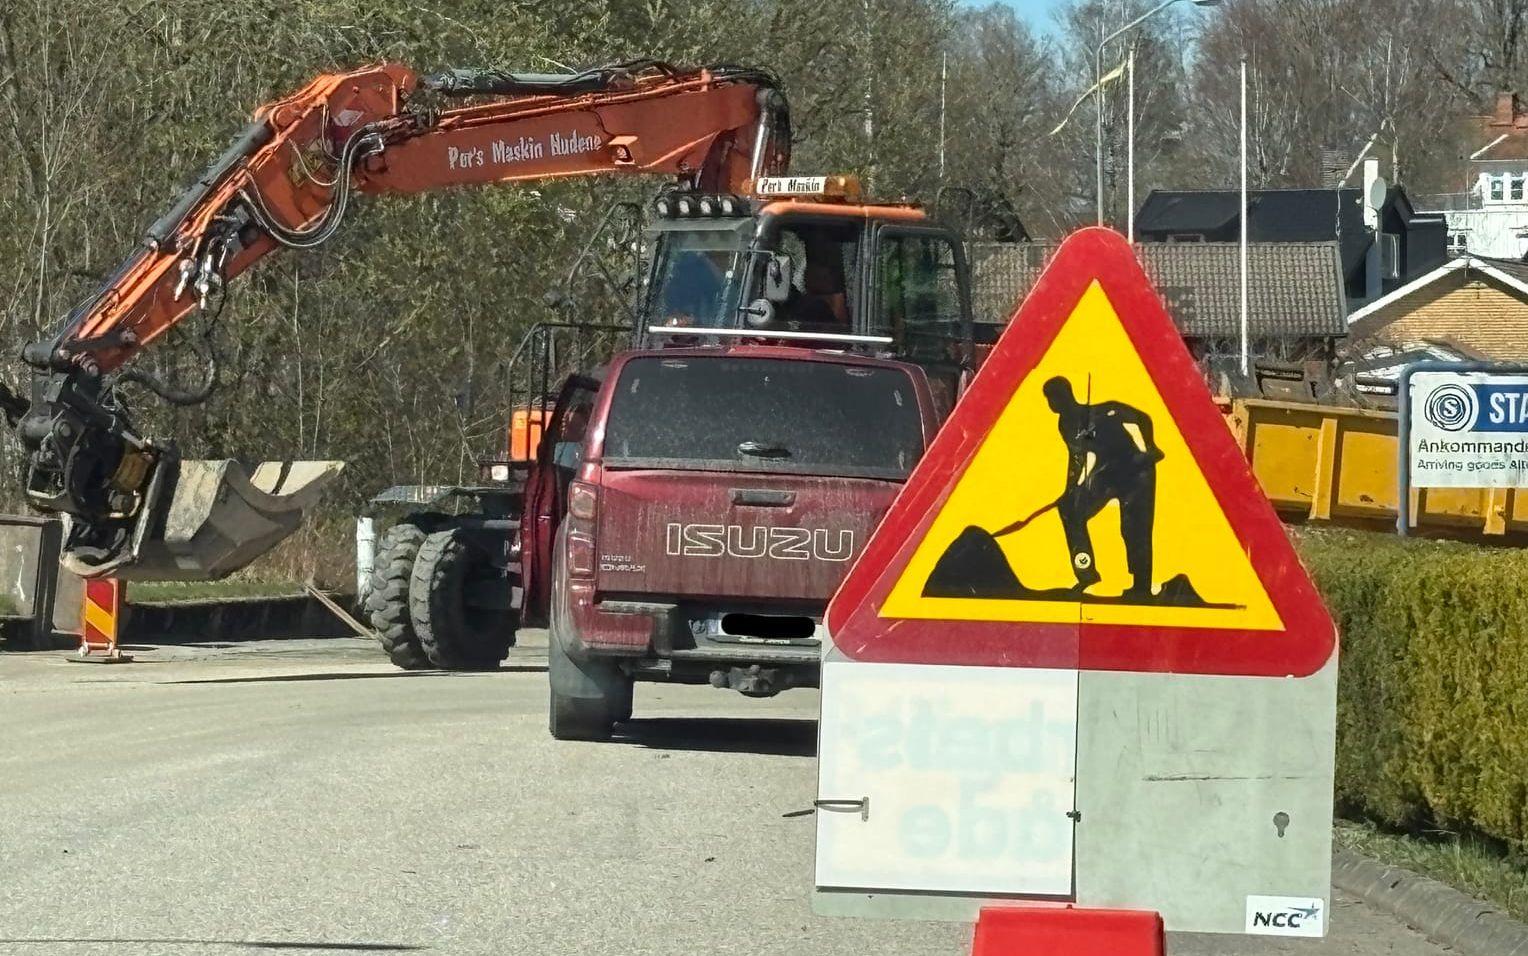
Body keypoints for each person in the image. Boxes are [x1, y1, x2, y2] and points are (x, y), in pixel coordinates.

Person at [1042, 376, 1162, 597]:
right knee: (1070, 510)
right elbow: (1076, 458)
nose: (1052, 403)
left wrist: (1151, 447)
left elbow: (1143, 418)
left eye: (1054, 397)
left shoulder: (1104, 411)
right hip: (1107, 472)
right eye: (1049, 399)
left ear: (1066, 395)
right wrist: (1070, 491)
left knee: (1134, 528)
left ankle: (1141, 587)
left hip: (1136, 470)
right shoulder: (1065, 424)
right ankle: (1086, 572)